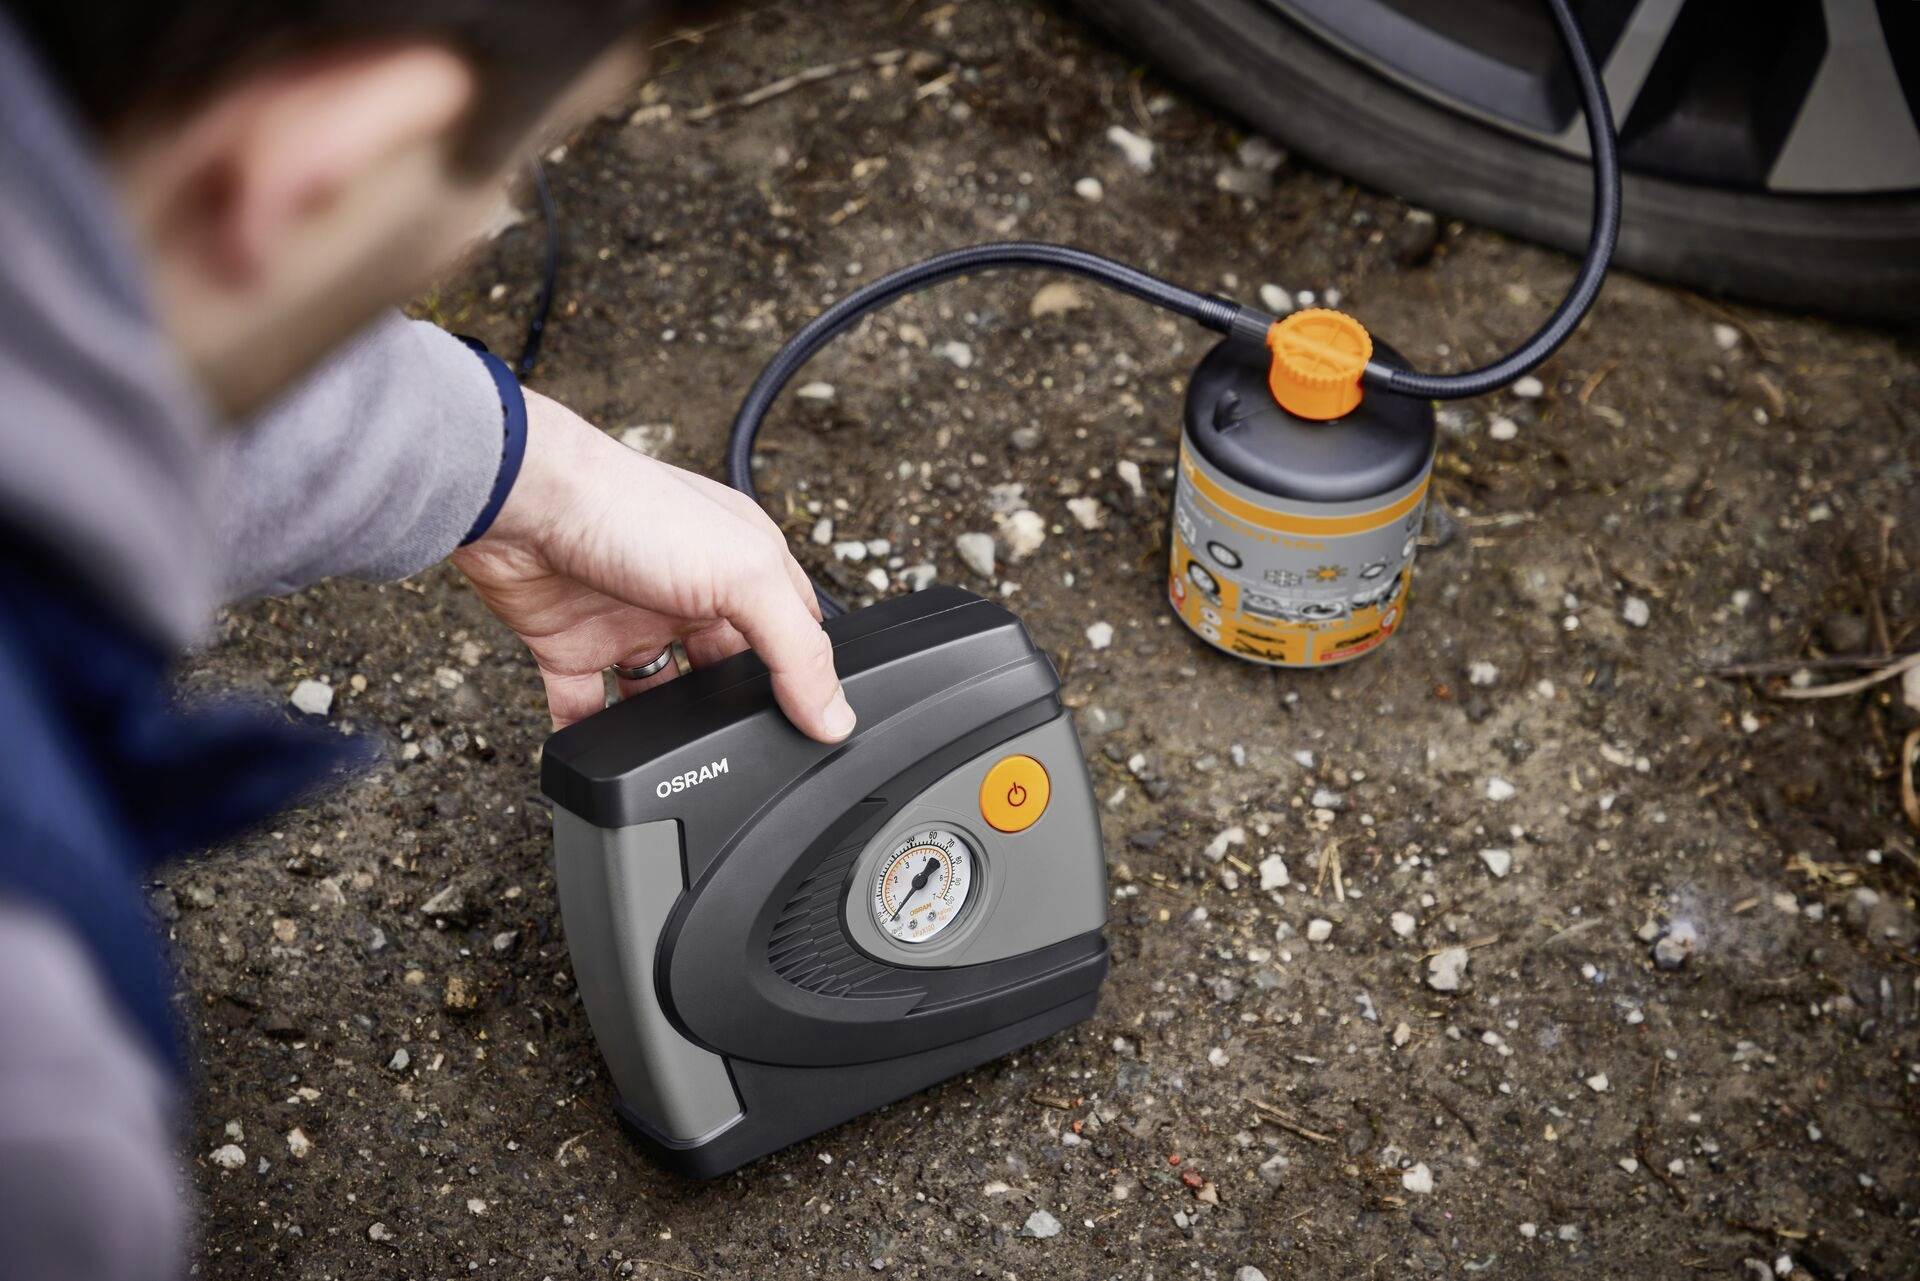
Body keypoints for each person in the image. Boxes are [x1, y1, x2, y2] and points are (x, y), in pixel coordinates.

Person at [0, 3, 851, 1276]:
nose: (490, 226)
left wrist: (526, 474)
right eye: (512, 165)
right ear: (323, 163)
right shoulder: (39, 1103)